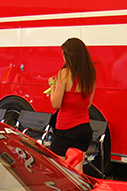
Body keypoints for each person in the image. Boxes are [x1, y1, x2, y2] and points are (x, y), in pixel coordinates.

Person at [47, 37, 96, 172]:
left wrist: (52, 85)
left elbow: (55, 104)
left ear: (68, 55)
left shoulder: (64, 73)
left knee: (59, 170)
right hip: (84, 128)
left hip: (65, 129)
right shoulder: (90, 74)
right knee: (78, 170)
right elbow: (88, 104)